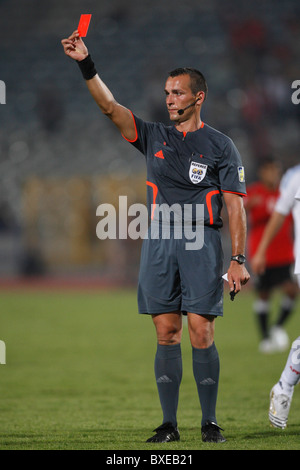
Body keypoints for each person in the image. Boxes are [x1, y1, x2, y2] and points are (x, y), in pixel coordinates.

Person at [61, 30, 250, 444]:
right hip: (159, 242)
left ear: (198, 97)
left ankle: (210, 422)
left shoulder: (221, 146)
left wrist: (238, 259)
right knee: (166, 332)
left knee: (202, 331)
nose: (169, 99)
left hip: (201, 242)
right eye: (167, 92)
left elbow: (235, 206)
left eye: (178, 93)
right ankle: (168, 425)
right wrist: (85, 63)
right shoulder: (153, 136)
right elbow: (109, 107)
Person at [251, 164, 300, 429]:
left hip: (285, 256)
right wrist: (258, 252)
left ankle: (284, 384)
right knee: (264, 296)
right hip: (280, 257)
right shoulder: (293, 179)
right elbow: (276, 214)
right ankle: (284, 384)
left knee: (289, 294)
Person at [245, 158, 298, 353]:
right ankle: (265, 338)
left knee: (292, 290)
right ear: (262, 172)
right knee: (264, 294)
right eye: (269, 170)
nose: (273, 174)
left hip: (284, 253)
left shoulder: (286, 192)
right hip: (262, 253)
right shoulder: (253, 192)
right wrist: (248, 206)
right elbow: (237, 211)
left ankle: (277, 326)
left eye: (276, 170)